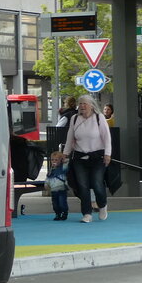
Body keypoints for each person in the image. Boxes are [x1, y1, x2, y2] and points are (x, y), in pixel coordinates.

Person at [59, 94, 112, 223]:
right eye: (80, 103)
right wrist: (65, 154)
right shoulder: (74, 119)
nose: (82, 106)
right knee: (82, 186)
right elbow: (70, 137)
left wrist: (107, 154)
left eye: (85, 104)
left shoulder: (99, 118)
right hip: (79, 156)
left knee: (97, 183)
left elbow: (107, 137)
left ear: (91, 105)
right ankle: (87, 213)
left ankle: (102, 204)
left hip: (97, 156)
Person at [45, 151, 68, 221]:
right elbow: (48, 178)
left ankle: (64, 212)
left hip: (62, 189)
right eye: (52, 160)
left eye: (56, 160)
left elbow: (67, 163)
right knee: (55, 204)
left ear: (60, 160)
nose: (54, 161)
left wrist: (64, 160)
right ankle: (57, 213)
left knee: (62, 202)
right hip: (53, 190)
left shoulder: (63, 168)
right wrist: (46, 184)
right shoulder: (51, 170)